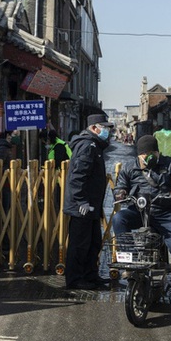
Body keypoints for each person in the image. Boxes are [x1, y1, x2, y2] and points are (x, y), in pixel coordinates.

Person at [112, 135, 171, 302]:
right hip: (138, 211)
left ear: (158, 152)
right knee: (119, 219)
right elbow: (120, 185)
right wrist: (121, 193)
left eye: (153, 153)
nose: (150, 157)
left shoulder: (170, 163)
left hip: (164, 213)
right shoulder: (129, 167)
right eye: (146, 154)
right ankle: (130, 262)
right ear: (139, 155)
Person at [63, 114, 114, 290]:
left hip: (92, 205)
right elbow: (77, 177)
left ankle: (90, 275)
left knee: (93, 243)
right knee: (80, 245)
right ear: (94, 128)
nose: (108, 132)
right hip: (82, 207)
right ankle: (75, 279)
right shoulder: (87, 146)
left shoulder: (96, 146)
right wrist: (81, 201)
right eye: (105, 128)